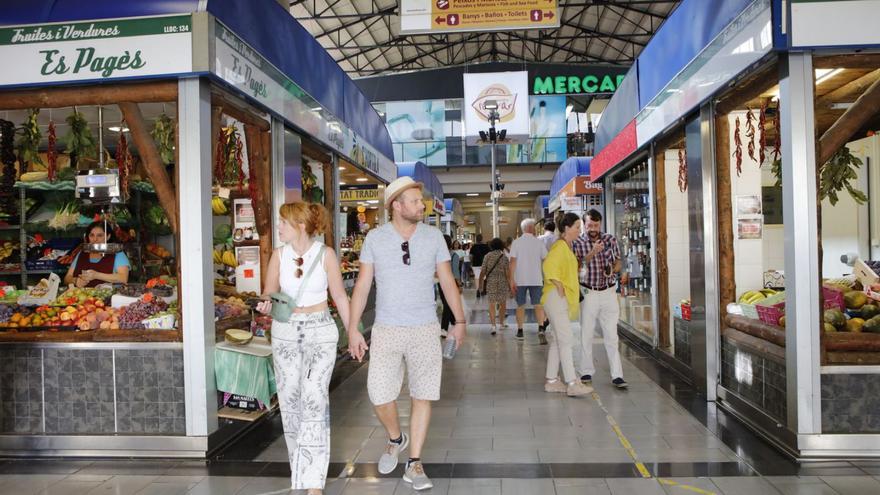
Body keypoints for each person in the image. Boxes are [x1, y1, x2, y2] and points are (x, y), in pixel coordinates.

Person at [347, 176, 466, 491]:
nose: (421, 205)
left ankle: (414, 463)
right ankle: (395, 438)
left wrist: (460, 321)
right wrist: (353, 328)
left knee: (422, 394)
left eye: (420, 200)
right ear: (396, 206)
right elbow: (362, 286)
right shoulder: (375, 238)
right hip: (386, 328)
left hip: (425, 327)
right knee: (379, 393)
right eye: (414, 201)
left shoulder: (433, 237)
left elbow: (447, 281)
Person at [255, 201, 350, 495]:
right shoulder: (278, 256)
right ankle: (302, 468)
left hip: (319, 331)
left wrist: (354, 333)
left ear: (299, 225)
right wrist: (264, 304)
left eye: (283, 223)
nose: (278, 227)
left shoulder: (326, 255)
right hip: (285, 333)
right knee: (290, 403)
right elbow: (269, 294)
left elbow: (340, 297)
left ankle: (313, 483)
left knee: (313, 401)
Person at [571, 209, 628, 389]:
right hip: (589, 293)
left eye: (596, 225)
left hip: (609, 292)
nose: (593, 229)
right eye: (589, 225)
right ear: (584, 225)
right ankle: (586, 371)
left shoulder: (610, 239)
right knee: (586, 333)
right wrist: (592, 253)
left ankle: (617, 375)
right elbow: (576, 265)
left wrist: (613, 269)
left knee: (612, 335)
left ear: (600, 224)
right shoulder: (578, 243)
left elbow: (618, 262)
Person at [542, 212, 594, 397]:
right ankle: (573, 382)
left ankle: (552, 381)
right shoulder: (560, 247)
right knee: (566, 340)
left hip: (556, 298)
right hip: (556, 297)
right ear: (566, 228)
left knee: (558, 340)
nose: (580, 230)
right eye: (577, 227)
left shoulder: (566, 246)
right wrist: (558, 284)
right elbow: (548, 267)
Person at [509, 218, 548, 342]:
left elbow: (512, 263)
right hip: (536, 278)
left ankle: (520, 331)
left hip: (520, 279)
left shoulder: (516, 243)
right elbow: (545, 260)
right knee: (538, 305)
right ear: (531, 228)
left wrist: (511, 280)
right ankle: (541, 328)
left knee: (520, 306)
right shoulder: (539, 243)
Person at [64, 221, 130, 288]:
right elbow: (67, 278)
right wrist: (75, 280)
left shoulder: (118, 253)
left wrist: (96, 275)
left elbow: (123, 278)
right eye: (92, 235)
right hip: (82, 297)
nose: (95, 239)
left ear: (108, 236)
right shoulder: (82, 253)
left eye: (100, 235)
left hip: (109, 297)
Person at [478, 238, 510, 335]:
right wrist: (510, 285)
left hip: (491, 281)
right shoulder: (504, 257)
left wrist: (480, 285)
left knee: (491, 304)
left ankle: (493, 326)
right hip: (502, 282)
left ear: (491, 245)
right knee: (502, 303)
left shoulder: (487, 256)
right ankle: (501, 323)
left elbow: (483, 271)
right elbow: (507, 273)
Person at [439, 235, 461, 337]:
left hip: (440, 283)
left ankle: (449, 324)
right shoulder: (453, 255)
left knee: (447, 305)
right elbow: (456, 272)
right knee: (447, 306)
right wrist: (459, 285)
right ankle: (445, 327)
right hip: (450, 283)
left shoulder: (438, 255)